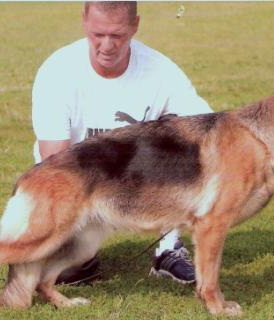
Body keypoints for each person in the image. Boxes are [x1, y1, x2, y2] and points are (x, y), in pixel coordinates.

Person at [31, 1, 212, 285]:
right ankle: (82, 256)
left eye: (117, 36)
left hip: (140, 184)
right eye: (97, 35)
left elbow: (208, 128)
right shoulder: (57, 71)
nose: (106, 46)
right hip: (80, 189)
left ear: (134, 26)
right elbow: (54, 160)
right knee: (65, 272)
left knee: (190, 141)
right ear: (84, 21)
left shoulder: (161, 70)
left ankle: (168, 248)